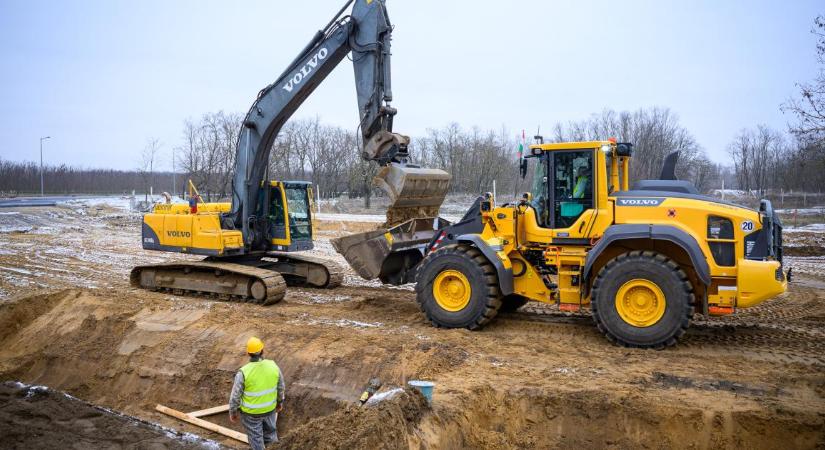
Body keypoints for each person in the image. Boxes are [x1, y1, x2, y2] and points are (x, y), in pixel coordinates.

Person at [229, 337, 285, 450]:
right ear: (262, 350)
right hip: (269, 410)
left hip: (251, 415)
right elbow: (281, 387)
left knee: (256, 440)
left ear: (248, 353)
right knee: (271, 436)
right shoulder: (273, 366)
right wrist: (279, 403)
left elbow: (235, 396)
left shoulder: (244, 372)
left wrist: (233, 412)